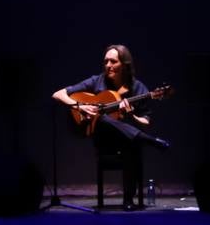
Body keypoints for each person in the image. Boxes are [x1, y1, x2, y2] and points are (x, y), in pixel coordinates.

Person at [52, 44, 168, 211]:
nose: (108, 65)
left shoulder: (137, 88)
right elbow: (58, 94)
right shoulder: (97, 81)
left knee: (130, 144)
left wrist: (130, 116)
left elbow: (146, 121)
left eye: (113, 61)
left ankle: (128, 200)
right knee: (102, 119)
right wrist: (79, 106)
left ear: (125, 64)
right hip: (103, 139)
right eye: (106, 61)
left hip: (126, 138)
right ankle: (150, 141)